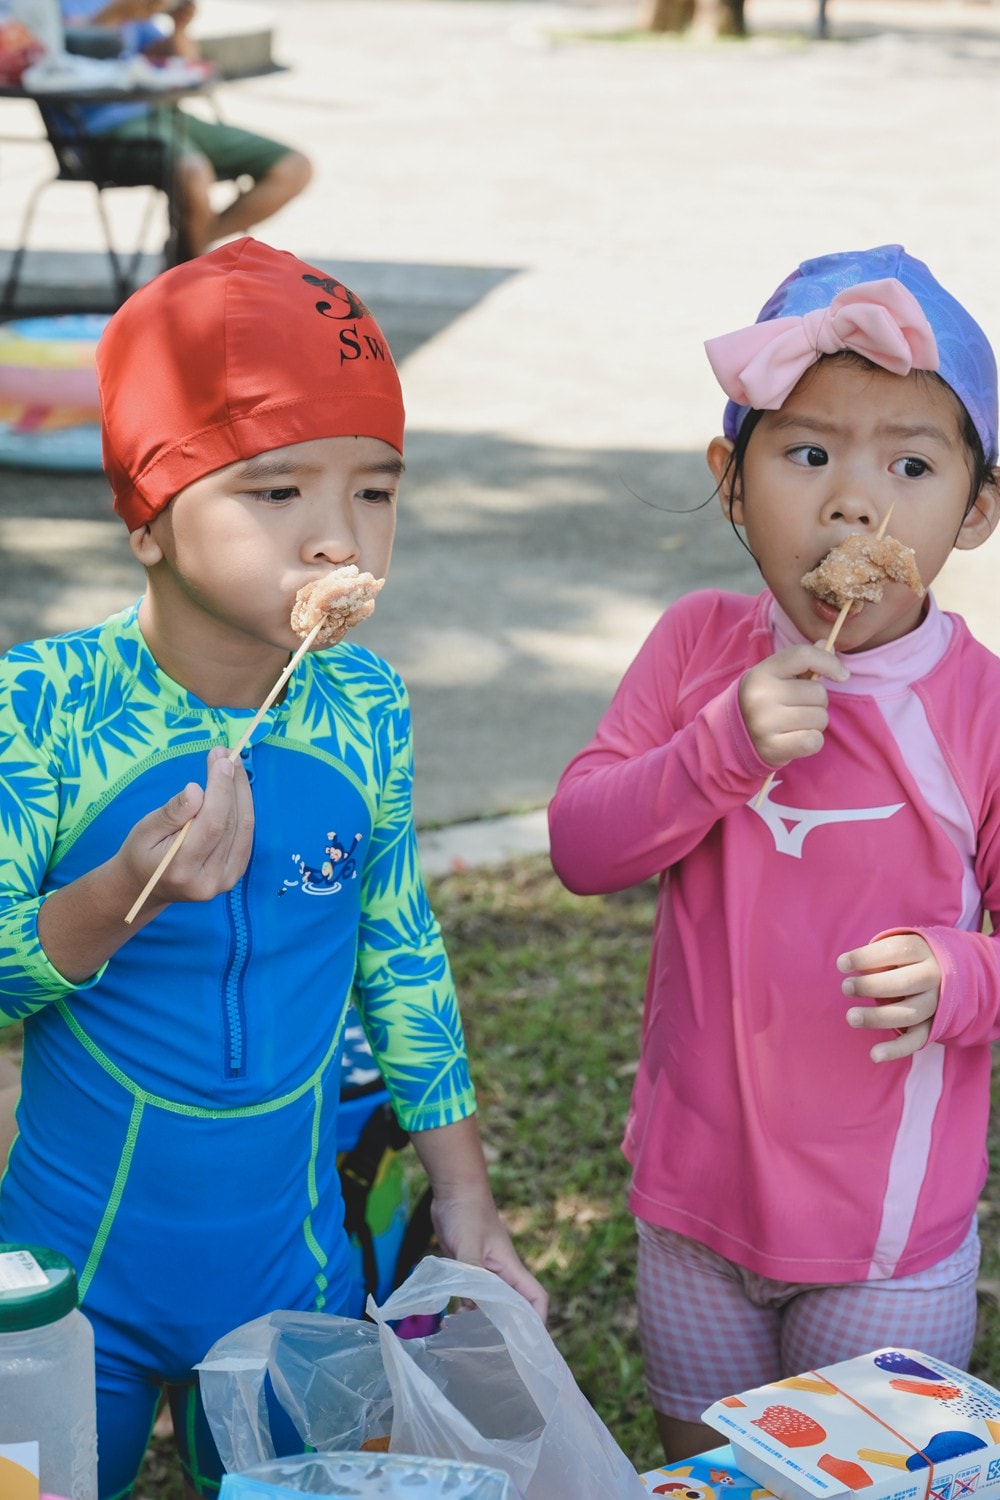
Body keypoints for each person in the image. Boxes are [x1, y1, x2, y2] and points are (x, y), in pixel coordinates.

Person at [0, 236, 546, 1500]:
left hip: (291, 1272)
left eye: (375, 490)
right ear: (147, 515)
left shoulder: (365, 707)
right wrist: (109, 903)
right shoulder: (46, 708)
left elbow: (400, 952)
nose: (336, 539)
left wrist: (463, 1194)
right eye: (276, 492)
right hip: (71, 1268)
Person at [547, 245, 1000, 1462]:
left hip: (884, 1240)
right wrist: (714, 750)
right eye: (806, 454)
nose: (853, 503)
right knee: (708, 1471)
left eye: (909, 463)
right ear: (731, 481)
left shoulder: (980, 709)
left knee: (853, 1486)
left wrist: (963, 980)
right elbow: (582, 846)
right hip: (689, 1208)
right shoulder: (697, 647)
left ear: (977, 508)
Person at [58, 0, 312, 259]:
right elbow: (42, 56)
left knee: (294, 166)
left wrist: (178, 27)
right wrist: (112, 16)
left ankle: (186, 253)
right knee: (192, 172)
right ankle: (190, 269)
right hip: (99, 130)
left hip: (163, 112)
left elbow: (182, 59)